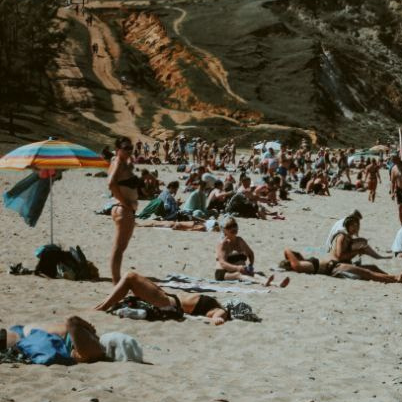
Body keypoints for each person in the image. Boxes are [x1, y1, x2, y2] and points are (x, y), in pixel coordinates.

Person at [280, 214, 402, 283]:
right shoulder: (300, 267)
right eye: (354, 225)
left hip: (334, 265)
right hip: (335, 267)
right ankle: (395, 279)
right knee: (367, 273)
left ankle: (389, 277)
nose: (357, 227)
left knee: (372, 269)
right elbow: (287, 250)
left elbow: (292, 255)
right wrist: (357, 251)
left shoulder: (304, 262)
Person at [94, 271, 232, 324]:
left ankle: (102, 307)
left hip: (170, 303)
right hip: (168, 297)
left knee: (131, 277)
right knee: (131, 280)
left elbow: (217, 318)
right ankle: (102, 306)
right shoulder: (216, 304)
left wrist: (219, 318)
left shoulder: (221, 310)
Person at [0, 315, 130, 364]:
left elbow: (72, 321)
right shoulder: (95, 344)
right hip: (27, 336)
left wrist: (87, 326)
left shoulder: (94, 350)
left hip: (27, 340)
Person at [107, 136, 140, 283]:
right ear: (117, 150)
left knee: (121, 247)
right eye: (126, 148)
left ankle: (116, 279)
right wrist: (125, 202)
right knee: (119, 248)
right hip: (123, 209)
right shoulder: (118, 162)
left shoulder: (122, 162)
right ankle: (116, 281)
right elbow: (111, 183)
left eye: (131, 148)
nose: (129, 151)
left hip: (124, 209)